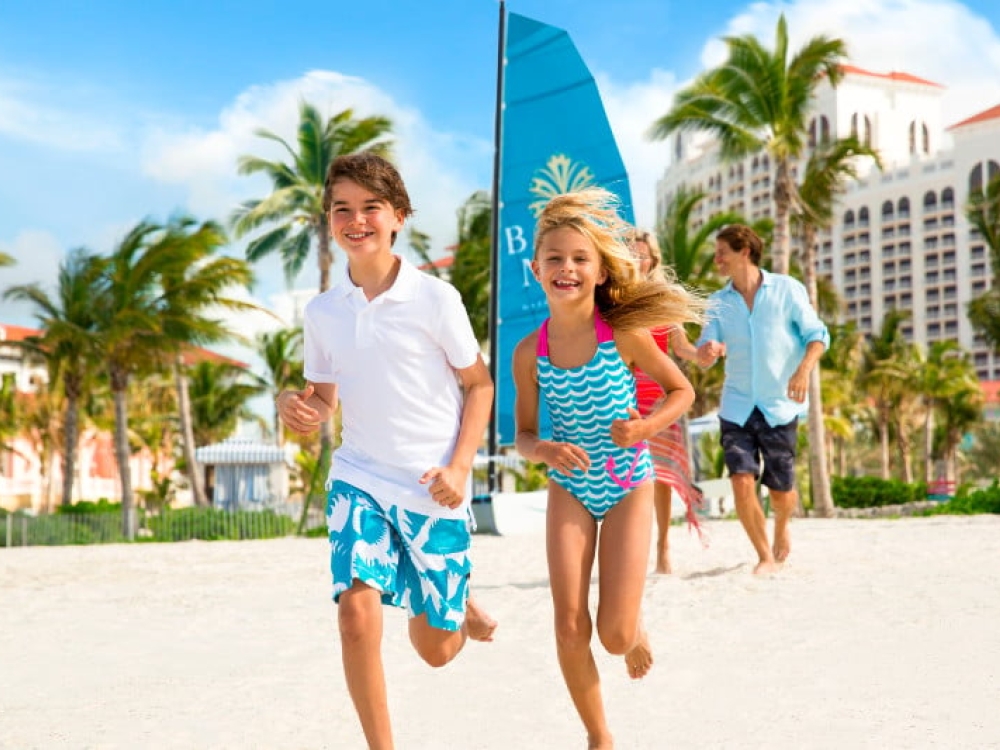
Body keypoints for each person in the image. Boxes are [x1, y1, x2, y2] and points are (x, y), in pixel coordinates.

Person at [276, 151, 497, 750]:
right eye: (341, 209)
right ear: (329, 221)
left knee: (436, 652)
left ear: (398, 216)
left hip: (433, 486)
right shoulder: (323, 312)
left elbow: (480, 385)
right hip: (359, 476)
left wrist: (459, 466)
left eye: (370, 208)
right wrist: (301, 408)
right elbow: (324, 398)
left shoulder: (436, 299)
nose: (356, 220)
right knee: (354, 614)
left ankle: (459, 601)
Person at [512, 189, 704, 750]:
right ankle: (600, 737)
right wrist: (544, 450)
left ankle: (634, 625)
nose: (565, 268)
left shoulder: (621, 334)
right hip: (569, 485)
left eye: (579, 259)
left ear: (598, 272)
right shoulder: (529, 353)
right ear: (536, 268)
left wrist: (645, 428)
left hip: (625, 483)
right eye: (554, 259)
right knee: (569, 624)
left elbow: (681, 390)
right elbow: (523, 434)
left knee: (615, 636)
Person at [696, 224, 829, 575]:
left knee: (781, 491)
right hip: (736, 406)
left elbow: (818, 336)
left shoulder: (787, 290)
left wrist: (802, 371)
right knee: (741, 480)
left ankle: (783, 525)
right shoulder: (718, 303)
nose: (717, 258)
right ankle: (764, 556)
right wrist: (708, 350)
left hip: (780, 404)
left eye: (723, 250)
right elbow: (705, 347)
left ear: (745, 252)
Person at [628, 228, 708, 574]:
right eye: (630, 253)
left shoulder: (665, 296)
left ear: (653, 258)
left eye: (642, 253)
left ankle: (662, 547)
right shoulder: (617, 295)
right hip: (625, 390)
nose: (637, 259)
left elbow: (682, 349)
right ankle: (633, 548)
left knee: (659, 475)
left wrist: (703, 354)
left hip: (660, 392)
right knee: (630, 474)